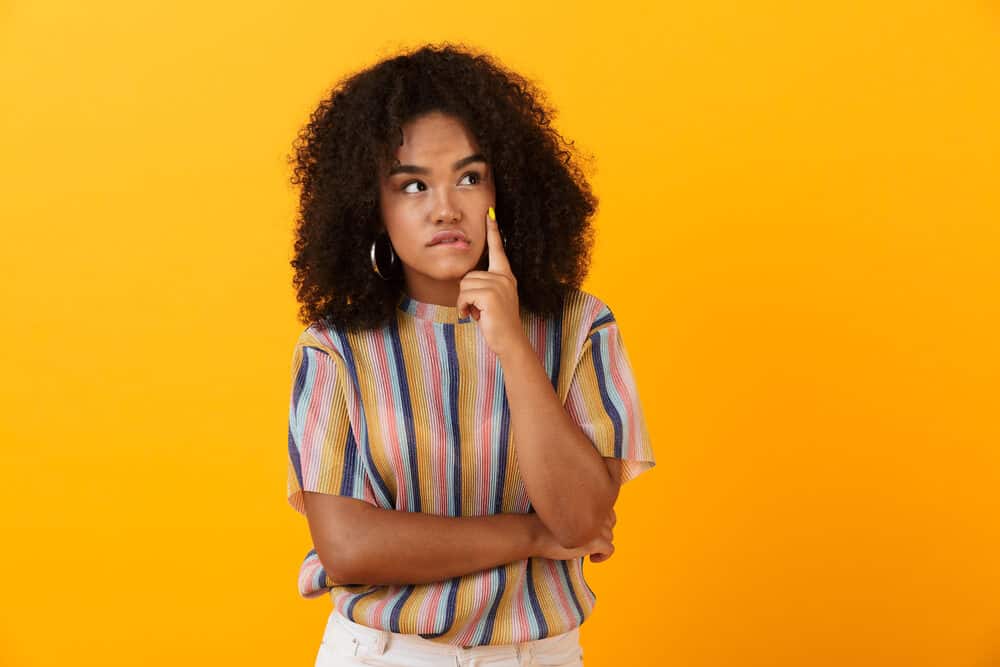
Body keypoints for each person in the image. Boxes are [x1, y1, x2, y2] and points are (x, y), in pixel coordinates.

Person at [285, 42, 656, 667]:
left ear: (502, 188)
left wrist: (511, 343)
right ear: (371, 208)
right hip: (382, 656)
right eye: (412, 185)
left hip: (541, 656)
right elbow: (348, 547)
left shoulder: (581, 326)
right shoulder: (335, 350)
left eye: (469, 177)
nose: (445, 208)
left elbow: (585, 513)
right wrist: (534, 534)